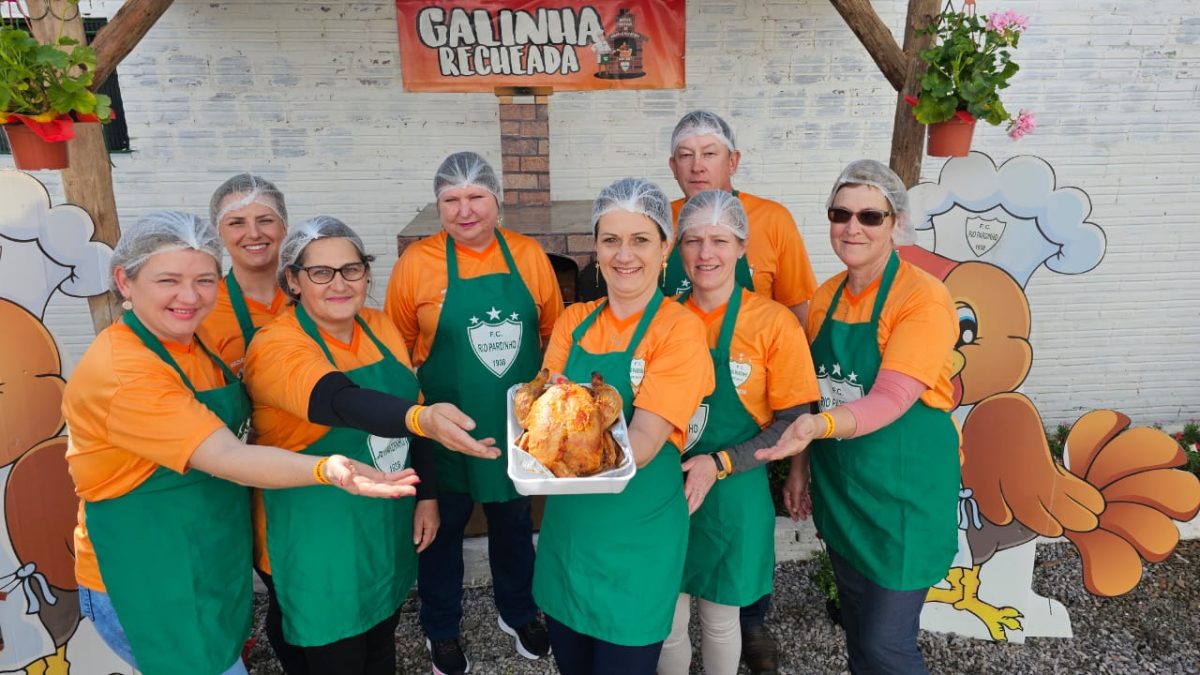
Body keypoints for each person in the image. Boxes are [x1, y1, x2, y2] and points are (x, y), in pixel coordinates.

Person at [63, 212, 422, 675]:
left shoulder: (193, 348)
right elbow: (228, 455)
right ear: (124, 282)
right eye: (168, 280)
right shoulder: (123, 371)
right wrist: (325, 468)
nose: (189, 296)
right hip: (147, 573)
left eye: (205, 279)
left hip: (206, 557)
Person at [242, 216, 497, 674]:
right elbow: (337, 400)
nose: (338, 284)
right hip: (315, 534)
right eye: (320, 272)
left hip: (382, 520)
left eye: (351, 269)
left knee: (381, 639)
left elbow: (411, 410)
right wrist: (422, 418)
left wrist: (429, 497)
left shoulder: (379, 326)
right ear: (293, 281)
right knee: (331, 652)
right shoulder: (276, 344)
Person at [759, 160, 961, 674]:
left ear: (896, 223)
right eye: (840, 213)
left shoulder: (922, 298)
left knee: (887, 646)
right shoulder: (826, 297)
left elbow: (892, 397)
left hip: (904, 500)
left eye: (871, 216)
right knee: (858, 633)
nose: (853, 227)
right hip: (845, 492)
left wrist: (817, 428)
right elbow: (812, 393)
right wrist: (802, 466)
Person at [385, 152, 563, 675]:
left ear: (496, 200)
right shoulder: (417, 264)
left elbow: (551, 334)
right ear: (438, 205)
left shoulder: (529, 256)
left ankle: (519, 610)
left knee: (513, 520)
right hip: (444, 427)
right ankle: (441, 628)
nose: (465, 211)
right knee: (440, 527)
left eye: (475, 197)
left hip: (516, 427)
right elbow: (398, 349)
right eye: (451, 200)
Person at [534, 178, 714, 674]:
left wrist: (553, 450)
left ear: (665, 249)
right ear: (595, 248)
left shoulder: (679, 330)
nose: (623, 254)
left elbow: (647, 440)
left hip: (638, 535)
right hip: (571, 534)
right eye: (610, 240)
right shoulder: (575, 323)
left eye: (640, 239)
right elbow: (546, 414)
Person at [666, 110, 819, 672]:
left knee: (726, 616)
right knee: (668, 617)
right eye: (695, 242)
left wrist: (725, 462)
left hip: (737, 481)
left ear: (742, 246)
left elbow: (792, 413)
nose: (707, 254)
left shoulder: (773, 322)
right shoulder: (662, 319)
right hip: (667, 483)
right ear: (676, 249)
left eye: (721, 242)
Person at [664, 110, 817, 324]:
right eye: (686, 155)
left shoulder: (773, 219)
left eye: (709, 154)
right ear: (673, 166)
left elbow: (796, 314)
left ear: (732, 162)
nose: (697, 167)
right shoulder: (657, 222)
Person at [198, 173, 289, 375]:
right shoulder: (202, 310)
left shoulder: (314, 293)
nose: (254, 233)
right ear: (218, 233)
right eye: (236, 223)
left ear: (284, 226)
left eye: (265, 220)